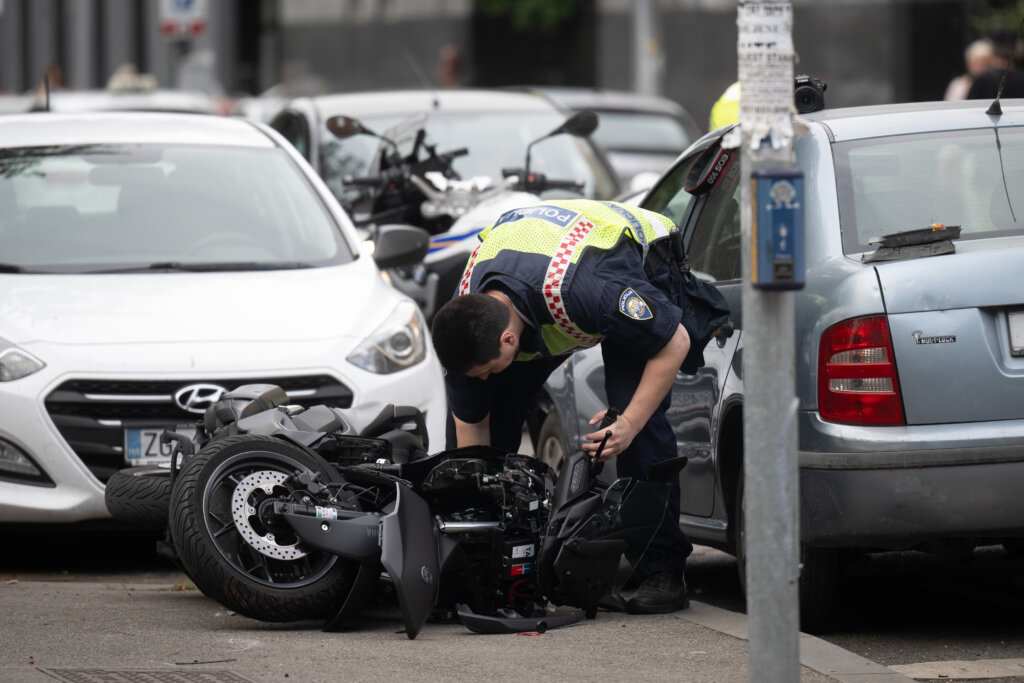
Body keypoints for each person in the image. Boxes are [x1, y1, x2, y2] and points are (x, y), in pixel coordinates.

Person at [431, 198, 717, 615]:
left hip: (632, 260)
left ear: (508, 340)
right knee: (486, 439)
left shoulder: (593, 290)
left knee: (634, 421)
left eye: (488, 369)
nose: (483, 379)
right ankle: (494, 563)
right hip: (538, 280)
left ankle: (662, 570)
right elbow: (472, 442)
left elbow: (675, 343)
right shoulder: (468, 323)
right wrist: (481, 517)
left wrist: (630, 422)